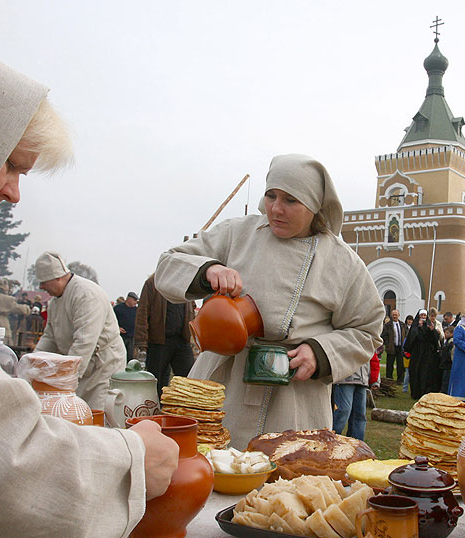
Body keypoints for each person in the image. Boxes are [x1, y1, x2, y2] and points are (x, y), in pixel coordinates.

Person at [0, 38, 178, 538]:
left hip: (97, 371)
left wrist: (58, 381)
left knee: (85, 416)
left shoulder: (84, 293)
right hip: (69, 380)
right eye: (13, 165)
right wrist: (127, 461)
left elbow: (83, 344)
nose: (13, 192)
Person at [154, 153, 384, 448]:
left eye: (291, 200)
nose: (276, 208)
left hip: (295, 400)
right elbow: (168, 264)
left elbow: (366, 329)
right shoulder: (238, 233)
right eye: (271, 195)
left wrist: (320, 352)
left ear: (313, 205)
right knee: (211, 468)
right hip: (224, 387)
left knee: (284, 484)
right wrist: (209, 269)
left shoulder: (342, 262)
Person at [34, 251, 127, 410]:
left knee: (97, 414)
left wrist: (66, 382)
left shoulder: (86, 295)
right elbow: (50, 337)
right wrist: (33, 363)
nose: (41, 287)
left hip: (103, 366)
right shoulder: (54, 303)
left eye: (44, 282)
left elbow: (85, 342)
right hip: (79, 365)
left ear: (57, 277)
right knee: (76, 413)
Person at [134, 273, 196, 394]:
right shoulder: (152, 283)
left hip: (182, 340)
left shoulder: (185, 283)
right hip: (159, 341)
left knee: (189, 380)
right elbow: (142, 312)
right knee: (156, 381)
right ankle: (155, 410)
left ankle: (184, 411)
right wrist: (141, 342)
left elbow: (191, 306)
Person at [405, 309, 442, 399]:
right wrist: (419, 328)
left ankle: (425, 392)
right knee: (415, 372)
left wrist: (431, 330)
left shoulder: (430, 326)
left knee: (426, 373)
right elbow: (411, 339)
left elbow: (435, 339)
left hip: (427, 354)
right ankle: (416, 393)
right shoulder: (414, 327)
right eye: (421, 316)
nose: (423, 317)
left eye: (424, 316)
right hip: (417, 353)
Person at [331, 360, 370, 440]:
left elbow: (372, 356)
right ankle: (330, 441)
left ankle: (357, 446)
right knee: (343, 412)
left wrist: (375, 380)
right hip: (345, 379)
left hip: (362, 380)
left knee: (360, 415)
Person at [0, 280, 30, 346]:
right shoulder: (8, 299)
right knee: (3, 344)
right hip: (2, 323)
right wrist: (27, 308)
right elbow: (18, 309)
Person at [381, 309, 407, 383]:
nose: (395, 316)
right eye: (393, 315)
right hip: (391, 347)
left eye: (396, 314)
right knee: (390, 365)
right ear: (391, 315)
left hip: (400, 347)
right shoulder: (387, 325)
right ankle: (389, 380)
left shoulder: (402, 325)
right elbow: (384, 335)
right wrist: (387, 344)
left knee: (400, 365)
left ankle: (400, 380)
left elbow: (406, 334)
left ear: (399, 315)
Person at [114, 291, 139, 361]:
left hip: (132, 337)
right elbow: (112, 321)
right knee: (120, 356)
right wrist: (117, 328)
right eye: (134, 300)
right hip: (121, 337)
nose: (135, 302)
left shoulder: (136, 310)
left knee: (130, 357)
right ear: (129, 299)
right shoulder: (117, 309)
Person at [439, 326, 455, 393]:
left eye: (447, 333)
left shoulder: (451, 342)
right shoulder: (446, 342)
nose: (445, 334)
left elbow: (450, 354)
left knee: (446, 381)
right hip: (445, 365)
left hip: (448, 365)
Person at [402, 315, 414, 392]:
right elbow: (404, 348)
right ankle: (405, 388)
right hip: (408, 357)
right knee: (408, 373)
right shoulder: (406, 339)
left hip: (412, 356)